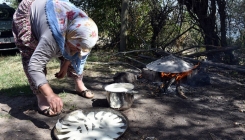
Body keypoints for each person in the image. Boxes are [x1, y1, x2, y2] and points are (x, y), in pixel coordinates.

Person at [12, 0, 98, 117]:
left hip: (55, 11)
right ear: (66, 37)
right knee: (31, 56)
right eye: (75, 46)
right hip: (30, 14)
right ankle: (41, 97)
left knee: (78, 51)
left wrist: (65, 65)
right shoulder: (53, 36)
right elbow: (34, 66)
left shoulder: (84, 25)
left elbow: (74, 50)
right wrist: (50, 95)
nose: (77, 51)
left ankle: (79, 84)